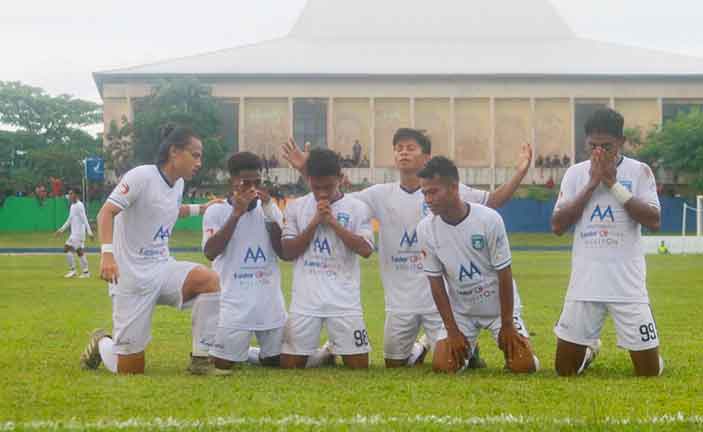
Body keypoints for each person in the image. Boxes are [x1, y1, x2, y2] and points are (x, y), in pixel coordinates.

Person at [281, 128, 532, 368]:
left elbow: (494, 201)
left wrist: (520, 173)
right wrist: (308, 169)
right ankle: (423, 347)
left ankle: (467, 349)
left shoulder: (450, 188)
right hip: (399, 301)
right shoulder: (379, 194)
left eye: (410, 148)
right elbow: (333, 195)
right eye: (398, 148)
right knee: (394, 364)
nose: (403, 153)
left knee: (451, 362)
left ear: (426, 156)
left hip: (438, 301)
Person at [79, 124, 222, 375]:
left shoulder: (177, 184)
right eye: (195, 154)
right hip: (131, 278)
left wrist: (202, 208)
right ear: (175, 152)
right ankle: (103, 341)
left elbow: (168, 210)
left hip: (162, 267)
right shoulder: (141, 176)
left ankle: (201, 360)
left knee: (209, 280)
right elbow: (106, 213)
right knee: (130, 370)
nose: (199, 162)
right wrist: (107, 255)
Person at [551, 108, 664, 377]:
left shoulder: (640, 172)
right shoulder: (575, 174)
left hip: (627, 284)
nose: (599, 152)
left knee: (647, 373)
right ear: (585, 143)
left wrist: (613, 184)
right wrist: (592, 184)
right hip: (585, 284)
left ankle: (653, 356)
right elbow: (557, 226)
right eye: (593, 145)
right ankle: (589, 350)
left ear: (621, 143)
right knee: (564, 371)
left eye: (607, 146)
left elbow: (654, 220)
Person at [417, 156, 539, 374]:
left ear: (454, 188)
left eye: (433, 192)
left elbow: (504, 273)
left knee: (523, 366)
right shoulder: (426, 228)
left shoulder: (489, 219)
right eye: (424, 193)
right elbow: (436, 284)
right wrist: (452, 330)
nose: (428, 199)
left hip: (498, 310)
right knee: (443, 367)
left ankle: (517, 344)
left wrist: (507, 323)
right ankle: (468, 349)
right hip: (462, 313)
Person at [280, 149, 374, 369]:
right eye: (316, 187)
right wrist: (314, 222)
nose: (322, 193)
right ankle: (324, 354)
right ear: (308, 180)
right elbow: (288, 252)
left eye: (328, 187)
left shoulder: (357, 208)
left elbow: (366, 250)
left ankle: (330, 349)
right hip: (306, 301)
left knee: (359, 367)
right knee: (289, 366)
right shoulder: (296, 207)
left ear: (340, 179)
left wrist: (332, 222)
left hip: (344, 300)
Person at [202, 152, 287, 374]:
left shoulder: (268, 208)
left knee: (277, 362)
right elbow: (210, 252)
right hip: (233, 301)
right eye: (246, 183)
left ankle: (323, 353)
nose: (252, 188)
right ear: (232, 181)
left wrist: (270, 211)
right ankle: (238, 348)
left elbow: (282, 251)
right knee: (223, 365)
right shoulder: (217, 210)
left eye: (257, 182)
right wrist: (236, 214)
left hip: (269, 301)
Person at [55, 187, 94, 278]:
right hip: (74, 234)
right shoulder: (72, 206)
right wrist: (61, 230)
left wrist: (90, 233)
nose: (69, 196)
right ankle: (82, 272)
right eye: (69, 194)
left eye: (71, 194)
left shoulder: (79, 205)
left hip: (79, 234)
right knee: (77, 251)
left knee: (69, 249)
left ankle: (79, 271)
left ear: (76, 195)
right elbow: (69, 220)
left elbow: (85, 219)